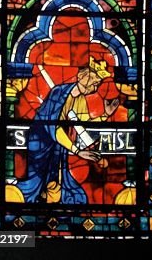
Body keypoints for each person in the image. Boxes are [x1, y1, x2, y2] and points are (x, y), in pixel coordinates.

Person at [15, 58, 110, 204]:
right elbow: (54, 127)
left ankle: (52, 198)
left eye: (97, 83)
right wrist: (77, 151)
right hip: (41, 142)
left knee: (59, 180)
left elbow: (82, 124)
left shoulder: (80, 100)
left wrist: (105, 115)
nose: (93, 86)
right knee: (37, 181)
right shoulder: (58, 92)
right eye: (92, 79)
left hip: (58, 144)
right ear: (80, 76)